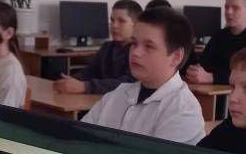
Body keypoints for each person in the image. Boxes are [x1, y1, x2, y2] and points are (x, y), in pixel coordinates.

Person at [81, 8, 205, 144]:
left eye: (149, 46)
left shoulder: (183, 111)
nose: (135, 53)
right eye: (134, 43)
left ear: (176, 57)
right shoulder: (118, 94)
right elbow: (79, 138)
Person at [53, 0, 142, 95]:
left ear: (137, 25)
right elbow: (90, 72)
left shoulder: (139, 51)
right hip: (102, 99)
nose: (114, 25)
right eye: (112, 20)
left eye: (121, 21)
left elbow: (129, 83)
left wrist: (85, 86)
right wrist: (70, 81)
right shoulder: (107, 47)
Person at [186, 0, 246, 86]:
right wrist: (195, 71)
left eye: (235, 8)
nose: (229, 12)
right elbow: (204, 63)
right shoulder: (219, 35)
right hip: (211, 89)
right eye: (226, 7)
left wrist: (212, 77)